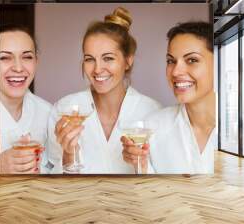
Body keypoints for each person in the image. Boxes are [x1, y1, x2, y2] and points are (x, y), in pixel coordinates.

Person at [47, 7, 162, 174]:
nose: (97, 69)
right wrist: (68, 155)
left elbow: (161, 187)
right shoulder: (63, 109)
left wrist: (141, 165)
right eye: (89, 59)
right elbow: (51, 179)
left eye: (108, 58)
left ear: (128, 60)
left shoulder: (153, 112)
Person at [121, 21, 216, 174]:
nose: (176, 72)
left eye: (192, 60)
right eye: (171, 61)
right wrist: (141, 165)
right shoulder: (152, 128)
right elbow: (150, 193)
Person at [0, 25, 52, 174]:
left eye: (27, 57)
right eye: (4, 58)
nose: (18, 67)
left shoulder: (47, 112)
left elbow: (53, 165)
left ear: (36, 62)